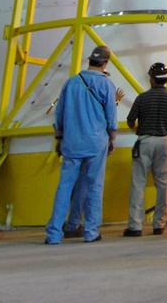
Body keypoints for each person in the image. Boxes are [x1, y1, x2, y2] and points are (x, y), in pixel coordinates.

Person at [44, 45, 118, 245]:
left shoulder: (71, 83)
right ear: (105, 63)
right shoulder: (106, 85)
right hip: (96, 143)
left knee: (65, 186)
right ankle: (91, 231)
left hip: (72, 142)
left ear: (89, 60)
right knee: (94, 186)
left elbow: (59, 113)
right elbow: (111, 117)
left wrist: (59, 137)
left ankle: (53, 234)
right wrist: (112, 138)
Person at [125, 62, 167, 237]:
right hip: (164, 142)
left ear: (151, 79)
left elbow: (130, 120)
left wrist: (138, 131)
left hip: (145, 141)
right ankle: (159, 224)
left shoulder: (142, 98)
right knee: (162, 184)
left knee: (138, 184)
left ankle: (135, 226)